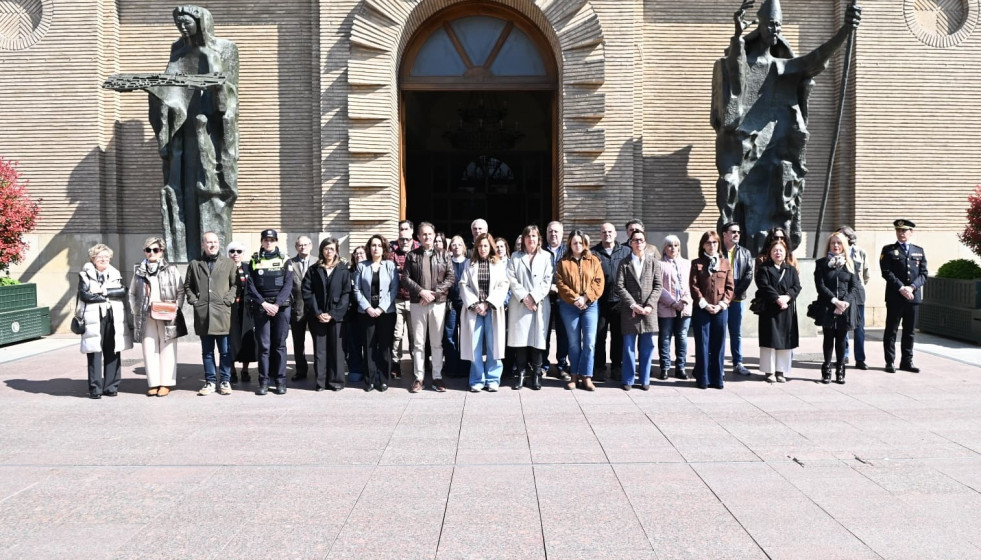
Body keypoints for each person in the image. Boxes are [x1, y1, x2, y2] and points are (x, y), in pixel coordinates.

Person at [713, 0, 862, 253]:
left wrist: (845, 31)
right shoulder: (745, 60)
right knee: (732, 188)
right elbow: (735, 75)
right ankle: (736, 247)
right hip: (745, 145)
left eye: (778, 26)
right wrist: (737, 36)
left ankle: (774, 248)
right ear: (760, 25)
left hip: (777, 144)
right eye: (771, 24)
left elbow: (815, 59)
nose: (775, 30)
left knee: (779, 201)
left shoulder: (782, 66)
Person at [148, 5, 239, 262]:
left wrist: (214, 78)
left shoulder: (224, 48)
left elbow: (229, 96)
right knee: (181, 187)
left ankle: (212, 252)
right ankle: (183, 252)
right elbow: (169, 87)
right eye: (178, 22)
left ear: (201, 22)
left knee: (209, 187)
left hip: (209, 129)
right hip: (182, 129)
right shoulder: (178, 51)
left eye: (187, 22)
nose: (182, 27)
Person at [401, 222, 456, 393]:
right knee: (418, 343)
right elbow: (405, 278)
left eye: (430, 234)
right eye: (423, 234)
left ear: (434, 235)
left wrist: (433, 294)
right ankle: (419, 378)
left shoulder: (444, 255)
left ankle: (437, 377)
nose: (427, 237)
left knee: (436, 343)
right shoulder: (412, 256)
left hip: (437, 303)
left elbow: (450, 278)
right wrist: (421, 292)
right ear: (418, 237)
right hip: (418, 303)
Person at [129, 236, 187, 397]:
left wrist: (176, 308)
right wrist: (136, 309)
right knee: (149, 348)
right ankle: (153, 383)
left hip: (166, 313)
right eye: (148, 250)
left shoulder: (171, 269)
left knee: (167, 348)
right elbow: (132, 293)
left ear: (161, 251)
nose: (152, 253)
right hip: (146, 314)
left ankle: (166, 383)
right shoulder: (139, 270)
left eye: (155, 249)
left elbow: (180, 291)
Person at [184, 232, 238, 396]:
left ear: (219, 244)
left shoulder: (228, 263)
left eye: (215, 242)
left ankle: (225, 381)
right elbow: (188, 286)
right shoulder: (195, 264)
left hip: (222, 314)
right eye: (209, 242)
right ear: (203, 244)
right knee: (207, 352)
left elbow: (235, 285)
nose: (212, 245)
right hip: (203, 315)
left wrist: (228, 300)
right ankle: (210, 381)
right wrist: (194, 300)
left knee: (225, 351)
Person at [77, 244, 132, 399]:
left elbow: (122, 291)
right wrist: (106, 296)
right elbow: (84, 295)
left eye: (106, 256)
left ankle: (111, 386)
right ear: (93, 259)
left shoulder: (115, 272)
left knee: (113, 350)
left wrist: (102, 292)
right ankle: (95, 388)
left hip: (113, 316)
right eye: (100, 256)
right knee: (94, 352)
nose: (103, 259)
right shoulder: (85, 274)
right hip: (94, 318)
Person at [245, 229, 294, 395]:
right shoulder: (254, 259)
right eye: (266, 240)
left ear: (276, 241)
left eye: (272, 240)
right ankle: (263, 382)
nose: (269, 242)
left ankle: (280, 381)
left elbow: (288, 285)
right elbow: (250, 286)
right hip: (262, 307)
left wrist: (277, 304)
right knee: (264, 346)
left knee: (279, 345)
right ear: (261, 241)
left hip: (282, 307)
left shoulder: (285, 259)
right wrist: (264, 303)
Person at [555, 230, 604, 391]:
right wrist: (575, 298)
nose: (577, 245)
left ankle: (587, 376)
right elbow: (561, 284)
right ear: (569, 243)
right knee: (574, 343)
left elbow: (599, 282)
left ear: (585, 244)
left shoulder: (594, 260)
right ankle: (574, 376)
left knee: (589, 343)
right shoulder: (563, 262)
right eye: (574, 242)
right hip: (569, 306)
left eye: (580, 242)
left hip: (590, 305)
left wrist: (585, 298)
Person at [459, 233, 510, 392]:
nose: (482, 249)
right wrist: (476, 304)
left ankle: (493, 379)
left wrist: (488, 303)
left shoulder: (499, 264)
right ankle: (477, 379)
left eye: (486, 246)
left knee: (494, 345)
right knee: (474, 346)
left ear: (491, 247)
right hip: (474, 310)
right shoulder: (469, 263)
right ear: (476, 247)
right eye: (480, 246)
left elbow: (504, 284)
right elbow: (463, 284)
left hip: (492, 309)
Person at [615, 230, 663, 390]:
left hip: (649, 311)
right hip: (630, 311)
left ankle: (645, 379)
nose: (638, 243)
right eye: (635, 240)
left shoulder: (654, 262)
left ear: (645, 242)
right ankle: (628, 379)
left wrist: (649, 305)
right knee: (628, 347)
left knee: (647, 346)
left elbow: (658, 286)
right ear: (630, 243)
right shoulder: (624, 263)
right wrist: (632, 304)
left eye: (641, 240)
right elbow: (619, 286)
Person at [302, 237, 352, 391]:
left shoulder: (343, 270)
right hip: (318, 316)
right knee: (320, 350)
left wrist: (333, 313)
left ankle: (336, 381)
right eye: (326, 248)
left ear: (336, 250)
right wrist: (317, 313)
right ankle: (321, 382)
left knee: (337, 350)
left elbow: (347, 294)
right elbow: (307, 292)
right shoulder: (313, 269)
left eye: (332, 248)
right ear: (321, 251)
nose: (329, 252)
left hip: (336, 317)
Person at [507, 225, 553, 390]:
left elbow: (548, 280)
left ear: (539, 238)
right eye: (528, 236)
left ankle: (536, 375)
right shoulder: (515, 257)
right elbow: (511, 279)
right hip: (520, 304)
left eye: (534, 236)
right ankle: (521, 374)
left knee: (537, 341)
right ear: (523, 239)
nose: (531, 239)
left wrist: (533, 297)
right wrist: (525, 298)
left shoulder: (547, 257)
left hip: (539, 304)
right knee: (520, 341)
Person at [880, 219, 928, 373]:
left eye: (904, 231)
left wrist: (912, 287)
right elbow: (886, 272)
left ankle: (907, 361)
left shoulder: (918, 250)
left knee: (909, 332)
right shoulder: (888, 250)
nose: (901, 233)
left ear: (911, 232)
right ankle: (890, 362)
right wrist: (901, 287)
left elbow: (924, 274)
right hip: (895, 297)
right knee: (891, 331)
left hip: (913, 298)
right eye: (898, 231)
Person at [689, 231, 734, 389]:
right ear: (703, 245)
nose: (712, 246)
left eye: (714, 243)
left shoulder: (725, 263)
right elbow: (693, 286)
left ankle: (717, 379)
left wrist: (722, 304)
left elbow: (730, 287)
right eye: (708, 243)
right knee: (702, 344)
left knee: (719, 344)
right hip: (702, 309)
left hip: (721, 310)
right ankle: (703, 379)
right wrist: (704, 303)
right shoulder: (697, 263)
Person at [354, 234, 399, 391]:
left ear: (384, 248)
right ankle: (370, 380)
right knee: (369, 346)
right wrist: (368, 308)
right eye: (373, 245)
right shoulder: (362, 266)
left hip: (386, 313)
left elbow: (394, 289)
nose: (376, 248)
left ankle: (384, 379)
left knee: (385, 346)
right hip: (366, 312)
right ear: (369, 248)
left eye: (379, 245)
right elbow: (357, 289)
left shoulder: (390, 266)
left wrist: (380, 308)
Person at [814, 232, 858, 384]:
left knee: (841, 340)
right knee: (828, 338)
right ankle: (826, 369)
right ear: (829, 245)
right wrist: (834, 301)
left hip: (845, 307)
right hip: (828, 306)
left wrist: (844, 302)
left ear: (844, 246)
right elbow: (820, 286)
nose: (836, 246)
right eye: (833, 243)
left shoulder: (850, 264)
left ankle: (840, 369)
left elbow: (854, 287)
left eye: (839, 243)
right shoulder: (821, 263)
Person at [755, 239, 801, 383]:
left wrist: (787, 297)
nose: (778, 253)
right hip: (769, 310)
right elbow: (763, 285)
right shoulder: (764, 268)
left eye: (780, 250)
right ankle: (769, 372)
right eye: (775, 250)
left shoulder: (791, 269)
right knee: (769, 340)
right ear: (770, 253)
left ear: (785, 252)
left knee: (784, 341)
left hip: (786, 310)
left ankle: (780, 371)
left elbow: (797, 286)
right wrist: (777, 298)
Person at [592, 222, 631, 382]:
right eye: (604, 232)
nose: (607, 234)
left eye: (610, 231)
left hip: (620, 302)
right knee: (599, 337)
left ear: (615, 234)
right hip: (600, 301)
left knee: (618, 337)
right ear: (600, 234)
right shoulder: (593, 253)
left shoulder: (626, 251)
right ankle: (599, 368)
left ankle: (616, 367)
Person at [720, 221, 753, 377]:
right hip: (719, 300)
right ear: (725, 234)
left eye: (738, 232)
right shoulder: (718, 252)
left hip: (737, 299)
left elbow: (748, 275)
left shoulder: (745, 253)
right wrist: (724, 295)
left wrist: (734, 293)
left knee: (735, 332)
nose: (736, 235)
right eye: (733, 232)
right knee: (718, 332)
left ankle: (737, 363)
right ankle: (716, 362)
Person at [657, 235, 692, 380]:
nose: (673, 248)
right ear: (664, 248)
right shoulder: (658, 264)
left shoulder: (687, 264)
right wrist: (672, 302)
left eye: (676, 245)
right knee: (665, 337)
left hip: (684, 307)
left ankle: (681, 367)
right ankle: (665, 367)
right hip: (666, 307)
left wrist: (683, 301)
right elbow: (658, 287)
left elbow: (692, 284)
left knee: (682, 336)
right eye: (670, 245)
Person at [838, 226, 871, 370]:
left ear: (849, 238)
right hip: (842, 295)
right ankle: (844, 355)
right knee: (843, 326)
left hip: (858, 295)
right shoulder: (837, 253)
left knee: (859, 327)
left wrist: (857, 286)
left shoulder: (860, 252)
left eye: (841, 237)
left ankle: (860, 359)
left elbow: (866, 274)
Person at [543, 220, 570, 380]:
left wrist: (560, 289)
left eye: (556, 231)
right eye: (550, 231)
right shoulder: (540, 251)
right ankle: (543, 366)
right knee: (543, 333)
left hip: (564, 299)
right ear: (546, 234)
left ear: (562, 234)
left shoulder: (568, 251)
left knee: (563, 333)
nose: (553, 234)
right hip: (544, 298)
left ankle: (562, 366)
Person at [227, 241, 255, 384]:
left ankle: (245, 370)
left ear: (243, 254)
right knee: (231, 340)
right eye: (232, 251)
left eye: (239, 251)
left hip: (246, 310)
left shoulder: (248, 268)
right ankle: (232, 371)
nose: (235, 254)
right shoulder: (224, 268)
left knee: (247, 340)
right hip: (230, 309)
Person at [443, 235, 470, 378]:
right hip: (451, 304)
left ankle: (465, 367)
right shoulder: (446, 263)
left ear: (464, 247)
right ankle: (451, 367)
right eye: (454, 244)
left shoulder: (469, 262)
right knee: (450, 335)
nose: (457, 246)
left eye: (460, 244)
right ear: (450, 247)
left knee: (465, 335)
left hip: (466, 304)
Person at [389, 231, 415, 378]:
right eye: (401, 239)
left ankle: (416, 363)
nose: (404, 241)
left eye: (407, 239)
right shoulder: (392, 254)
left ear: (412, 240)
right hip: (397, 300)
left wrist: (401, 270)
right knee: (397, 334)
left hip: (413, 300)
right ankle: (396, 364)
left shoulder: (416, 254)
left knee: (414, 334)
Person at [289, 235, 314, 382]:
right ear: (296, 247)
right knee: (298, 343)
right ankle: (300, 370)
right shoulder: (290, 263)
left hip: (315, 309)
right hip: (296, 308)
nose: (303, 247)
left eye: (305, 244)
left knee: (319, 341)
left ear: (311, 246)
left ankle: (320, 369)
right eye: (300, 245)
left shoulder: (319, 261)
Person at [344, 246, 368, 385]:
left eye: (362, 253)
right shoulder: (349, 272)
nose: (359, 255)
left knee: (369, 342)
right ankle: (355, 368)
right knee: (353, 342)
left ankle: (370, 367)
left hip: (369, 312)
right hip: (353, 313)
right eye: (356, 253)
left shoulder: (372, 269)